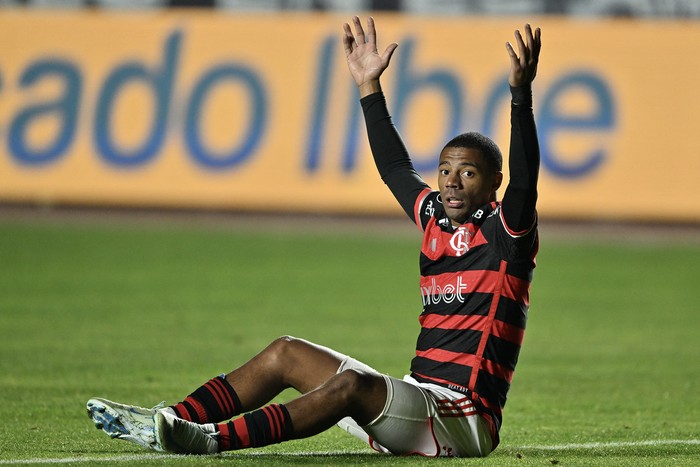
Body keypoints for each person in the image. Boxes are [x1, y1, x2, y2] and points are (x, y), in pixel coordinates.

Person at [86, 16, 541, 458]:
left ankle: (213, 440)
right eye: (445, 171)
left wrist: (520, 95)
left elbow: (525, 180)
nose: (452, 182)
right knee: (285, 352)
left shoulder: (506, 232)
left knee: (351, 386)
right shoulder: (433, 218)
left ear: (493, 182)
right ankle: (169, 421)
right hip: (417, 401)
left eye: (467, 173)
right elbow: (395, 169)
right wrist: (368, 87)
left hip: (463, 419)